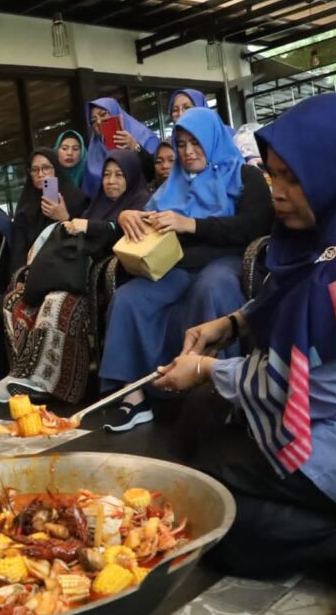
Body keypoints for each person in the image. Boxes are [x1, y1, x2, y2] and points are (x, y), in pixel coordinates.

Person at [155, 93, 336, 615]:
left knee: (212, 498)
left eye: (293, 177)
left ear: (335, 166)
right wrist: (233, 324)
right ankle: (321, 507)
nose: (277, 193)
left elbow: (313, 392)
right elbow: (298, 294)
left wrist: (209, 370)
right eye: (272, 174)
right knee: (203, 422)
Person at [101, 107, 273, 432]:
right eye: (181, 144)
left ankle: (218, 392)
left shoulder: (245, 176)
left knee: (213, 286)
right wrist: (128, 217)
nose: (188, 151)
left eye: (196, 142)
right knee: (129, 298)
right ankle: (134, 396)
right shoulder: (171, 184)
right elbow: (148, 227)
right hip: (177, 267)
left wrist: (191, 224)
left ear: (213, 139)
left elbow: (253, 225)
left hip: (227, 260)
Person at [0, 150, 150, 404]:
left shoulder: (141, 203)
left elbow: (117, 237)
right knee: (14, 302)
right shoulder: (97, 204)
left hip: (102, 284)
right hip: (74, 274)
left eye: (119, 175)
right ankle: (23, 372)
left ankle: (49, 381)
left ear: (131, 177)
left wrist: (78, 223)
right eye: (107, 175)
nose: (111, 181)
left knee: (56, 303)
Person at [9, 148, 89, 278]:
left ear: (56, 169)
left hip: (69, 271)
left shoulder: (76, 200)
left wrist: (65, 218)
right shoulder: (25, 208)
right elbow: (18, 253)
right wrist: (19, 278)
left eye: (46, 168)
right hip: (33, 274)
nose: (40, 174)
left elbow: (86, 241)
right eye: (35, 170)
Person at [82, 98, 160, 197]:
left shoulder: (148, 139)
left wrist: (135, 147)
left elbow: (155, 173)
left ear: (117, 114)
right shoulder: (94, 152)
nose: (98, 122)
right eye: (93, 121)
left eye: (103, 115)